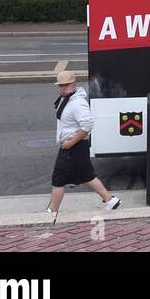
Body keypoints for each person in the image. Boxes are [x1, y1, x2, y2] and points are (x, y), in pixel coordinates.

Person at [46, 71, 121, 221]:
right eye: (60, 85)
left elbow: (87, 125)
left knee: (58, 179)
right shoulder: (66, 99)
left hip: (73, 146)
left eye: (66, 85)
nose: (63, 88)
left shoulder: (77, 103)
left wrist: (70, 143)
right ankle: (110, 200)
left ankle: (51, 212)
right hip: (74, 145)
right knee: (86, 175)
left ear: (73, 84)